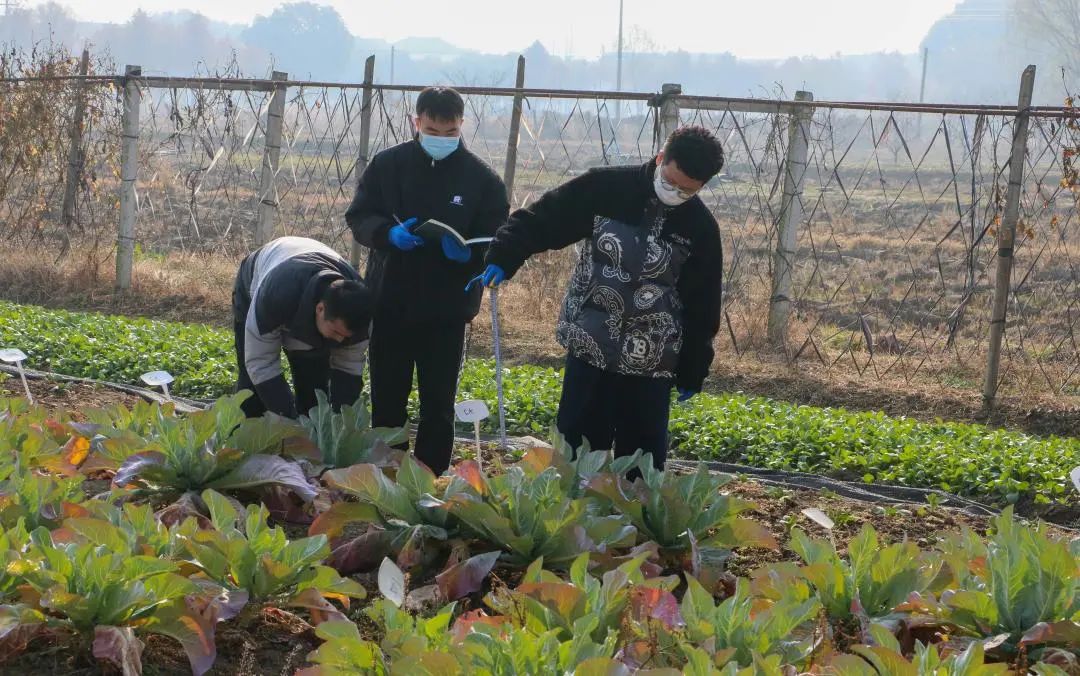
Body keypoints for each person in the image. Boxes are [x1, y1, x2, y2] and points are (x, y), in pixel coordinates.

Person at [472, 126, 726, 470]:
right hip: (591, 341)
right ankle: (574, 518)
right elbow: (544, 219)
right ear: (661, 158)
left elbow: (703, 303)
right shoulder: (605, 187)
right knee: (577, 452)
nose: (675, 193)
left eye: (686, 191)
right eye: (670, 181)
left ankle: (633, 520)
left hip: (651, 360)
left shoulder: (701, 227)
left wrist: (694, 366)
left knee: (641, 462)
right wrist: (504, 255)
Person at [346, 86, 510, 476]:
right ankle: (388, 472)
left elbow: (497, 235)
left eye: (450, 132)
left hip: (447, 309)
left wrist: (470, 254)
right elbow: (360, 216)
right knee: (388, 397)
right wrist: (388, 235)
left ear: (462, 127)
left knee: (438, 402)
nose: (441, 139)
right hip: (391, 302)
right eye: (433, 131)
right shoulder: (388, 165)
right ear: (416, 123)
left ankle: (430, 476)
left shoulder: (481, 178)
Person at [233, 236, 373, 419]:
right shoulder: (274, 296)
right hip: (258, 277)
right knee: (252, 392)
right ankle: (247, 442)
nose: (340, 340)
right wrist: (288, 418)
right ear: (320, 309)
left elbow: (348, 369)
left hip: (306, 277)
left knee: (313, 393)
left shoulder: (360, 316)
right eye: (336, 332)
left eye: (346, 337)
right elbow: (260, 363)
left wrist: (340, 421)